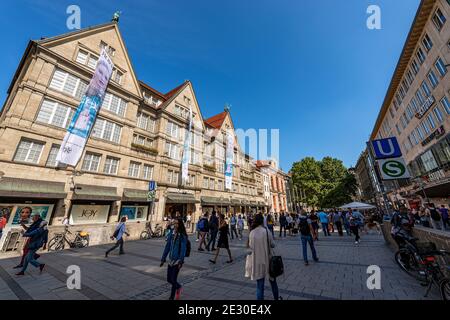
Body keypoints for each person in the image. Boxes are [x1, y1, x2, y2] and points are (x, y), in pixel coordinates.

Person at [246, 214, 281, 300]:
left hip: (257, 261)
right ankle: (276, 298)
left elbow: (250, 247)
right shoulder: (266, 231)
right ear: (262, 221)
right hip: (268, 260)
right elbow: (273, 245)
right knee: (273, 282)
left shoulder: (252, 233)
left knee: (259, 286)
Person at [160, 218, 187, 300]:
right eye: (174, 223)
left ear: (180, 225)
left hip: (177, 260)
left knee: (173, 279)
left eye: (177, 223)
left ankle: (171, 297)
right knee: (169, 279)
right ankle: (178, 287)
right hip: (171, 259)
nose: (175, 225)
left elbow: (183, 249)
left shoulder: (182, 235)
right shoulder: (171, 233)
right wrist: (163, 258)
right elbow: (167, 246)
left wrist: (181, 261)